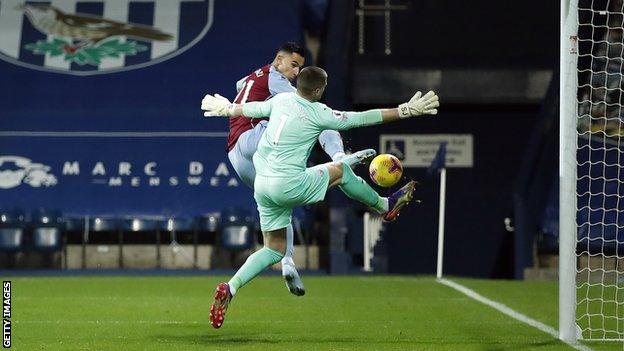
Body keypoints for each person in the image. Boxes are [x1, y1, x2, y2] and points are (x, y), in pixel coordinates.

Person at [201, 66, 439, 329]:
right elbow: (363, 118)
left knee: (273, 249)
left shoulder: (279, 100)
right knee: (342, 172)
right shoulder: (319, 113)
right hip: (289, 184)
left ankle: (230, 287)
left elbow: (250, 109)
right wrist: (405, 110)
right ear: (318, 89)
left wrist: (226, 108)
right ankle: (385, 206)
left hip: (263, 184)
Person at [223, 42, 373, 297]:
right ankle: (339, 157)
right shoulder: (277, 81)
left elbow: (240, 85)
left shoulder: (255, 76)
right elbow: (307, 110)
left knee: (282, 199)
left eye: (299, 67)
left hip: (237, 155)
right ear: (278, 59)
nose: (295, 72)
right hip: (251, 140)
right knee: (315, 118)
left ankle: (287, 261)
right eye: (293, 65)